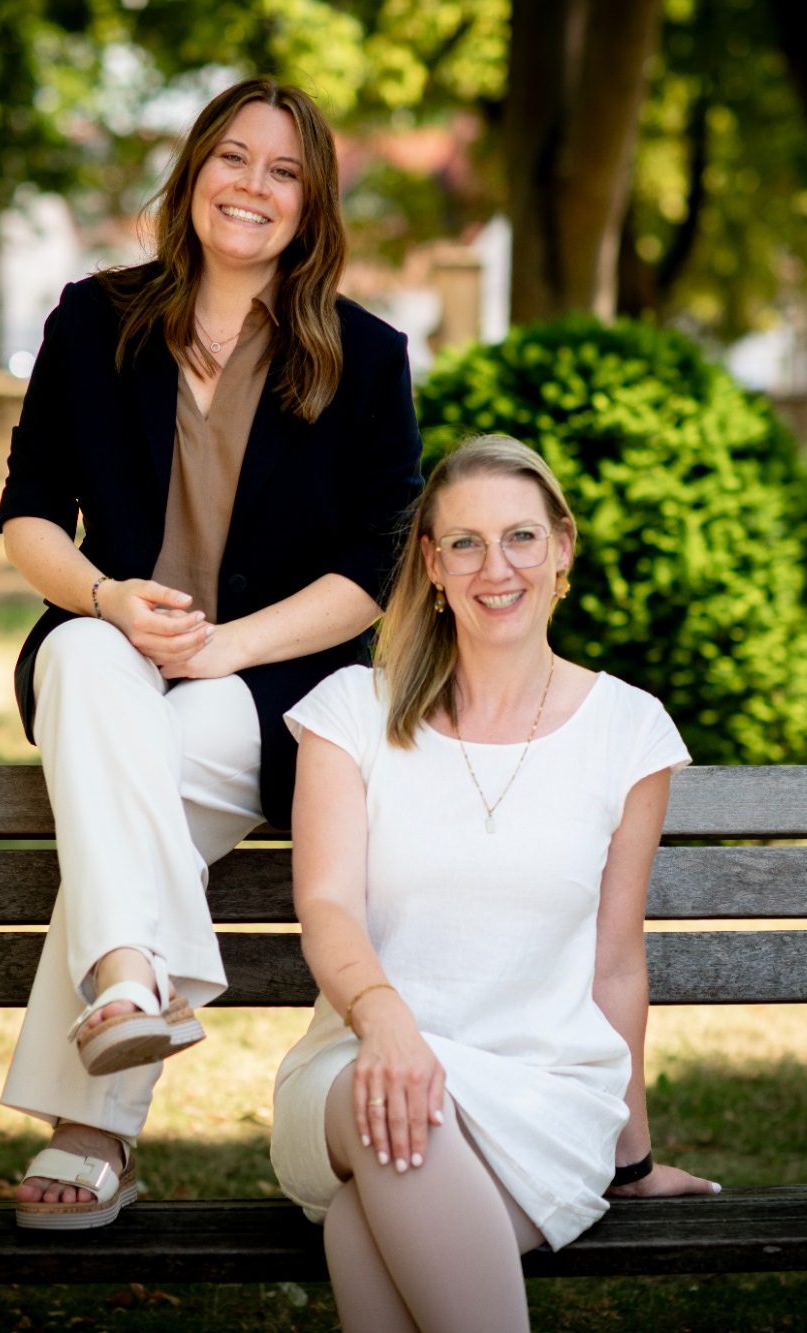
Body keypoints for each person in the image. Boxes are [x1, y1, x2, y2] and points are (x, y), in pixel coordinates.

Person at [0, 76, 421, 1230]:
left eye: (284, 172)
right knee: (83, 663)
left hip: (265, 677)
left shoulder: (364, 358)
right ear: (193, 175)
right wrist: (108, 599)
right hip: (108, 640)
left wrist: (222, 646)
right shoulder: (94, 317)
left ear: (312, 207)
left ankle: (94, 1113)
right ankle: (131, 976)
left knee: (171, 747)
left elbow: (368, 577)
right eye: (234, 158)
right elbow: (29, 512)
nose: (254, 187)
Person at [270, 436, 719, 1331]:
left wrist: (629, 1160)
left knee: (371, 1223)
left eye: (520, 537)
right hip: (358, 1066)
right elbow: (325, 905)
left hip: (541, 1092)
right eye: (465, 543)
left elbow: (615, 960)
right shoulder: (351, 711)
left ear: (562, 549)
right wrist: (389, 1025)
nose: (495, 566)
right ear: (432, 564)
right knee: (400, 1110)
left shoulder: (627, 729)